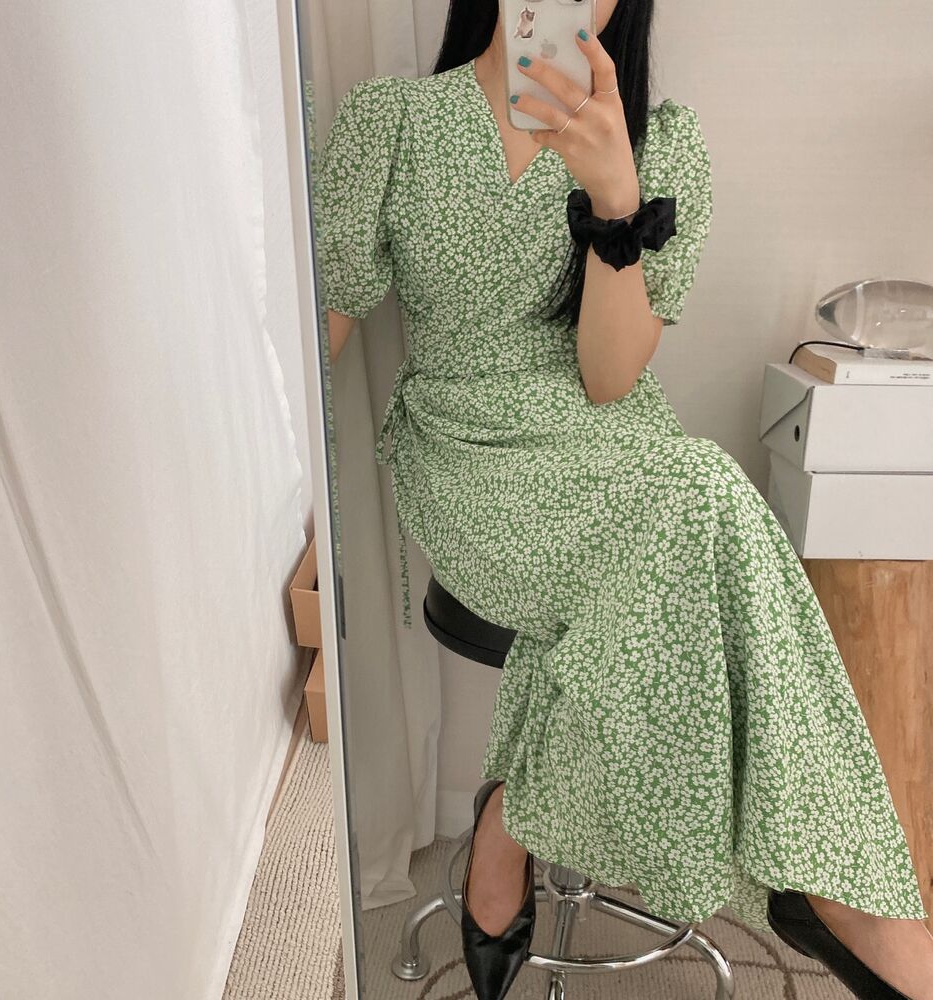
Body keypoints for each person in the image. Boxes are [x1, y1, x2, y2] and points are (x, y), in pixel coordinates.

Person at [312, 1, 933, 998]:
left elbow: (608, 380)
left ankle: (515, 816)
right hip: (469, 457)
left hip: (618, 452)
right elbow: (319, 338)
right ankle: (834, 892)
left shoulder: (660, 143)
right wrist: (290, 514)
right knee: (702, 496)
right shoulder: (392, 122)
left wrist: (612, 196)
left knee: (692, 497)